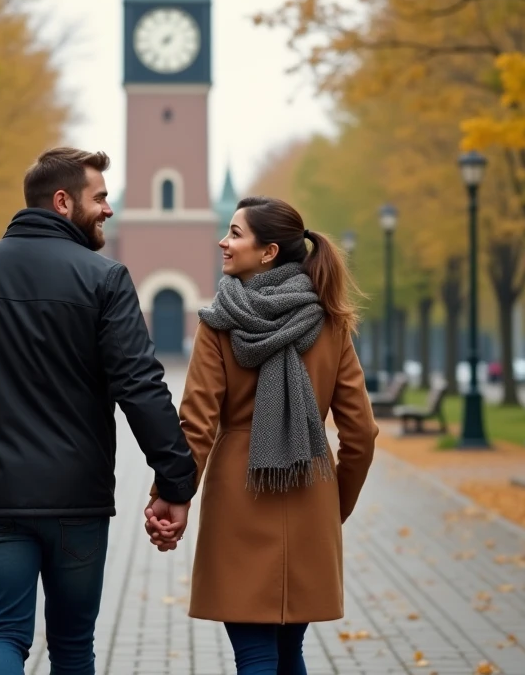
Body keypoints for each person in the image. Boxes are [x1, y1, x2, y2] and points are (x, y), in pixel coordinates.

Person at [0, 147, 198, 675]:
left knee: (3, 637)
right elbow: (140, 386)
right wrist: (175, 483)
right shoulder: (105, 278)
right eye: (100, 198)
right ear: (63, 201)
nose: (109, 209)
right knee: (72, 645)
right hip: (77, 497)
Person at [145, 196, 380, 675]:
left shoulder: (219, 324)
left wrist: (171, 496)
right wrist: (334, 504)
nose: (222, 241)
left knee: (255, 655)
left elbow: (197, 425)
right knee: (289, 653)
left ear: (268, 252)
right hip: (311, 490)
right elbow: (361, 433)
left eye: (235, 233)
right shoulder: (330, 322)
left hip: (238, 501)